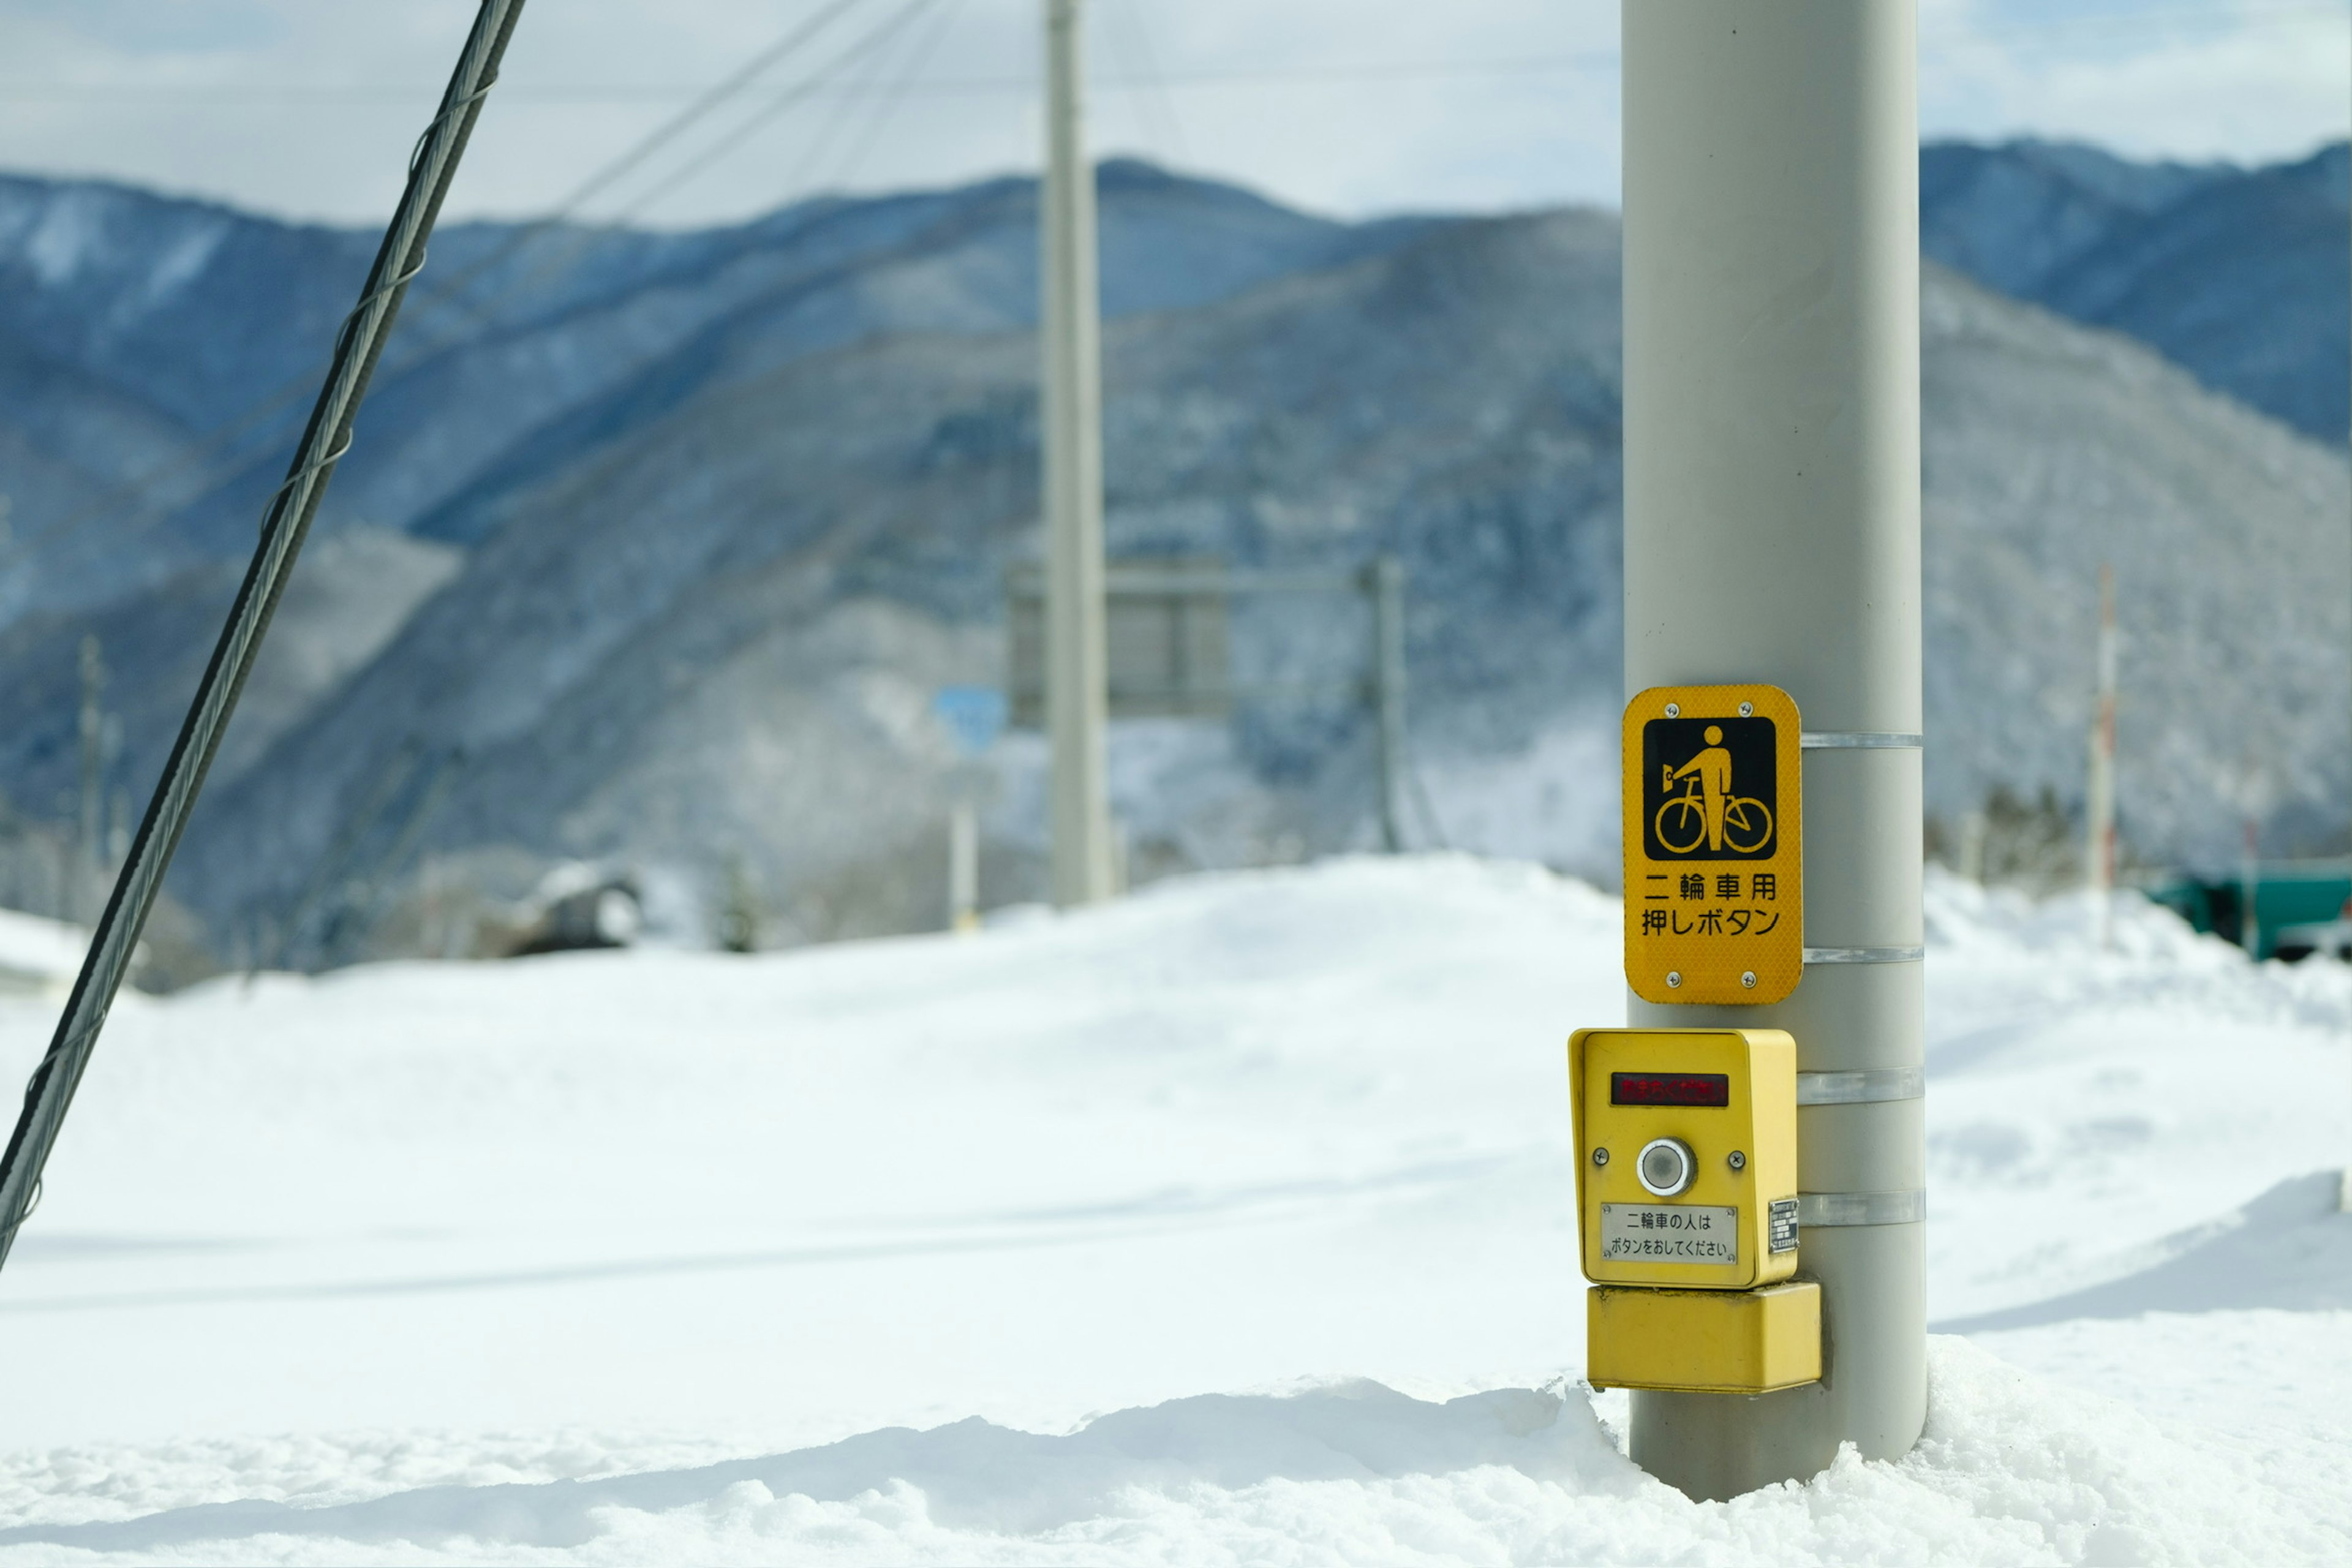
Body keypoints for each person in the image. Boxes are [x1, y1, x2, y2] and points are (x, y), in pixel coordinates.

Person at [1669, 725, 1735, 852]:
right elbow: (1691, 766)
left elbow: (1727, 771)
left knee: (1715, 816)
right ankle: (1715, 847)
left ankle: (1716, 847)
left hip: (1716, 790)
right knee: (1713, 815)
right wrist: (1675, 776)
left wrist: (1726, 789)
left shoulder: (1720, 753)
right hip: (1710, 788)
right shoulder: (1710, 753)